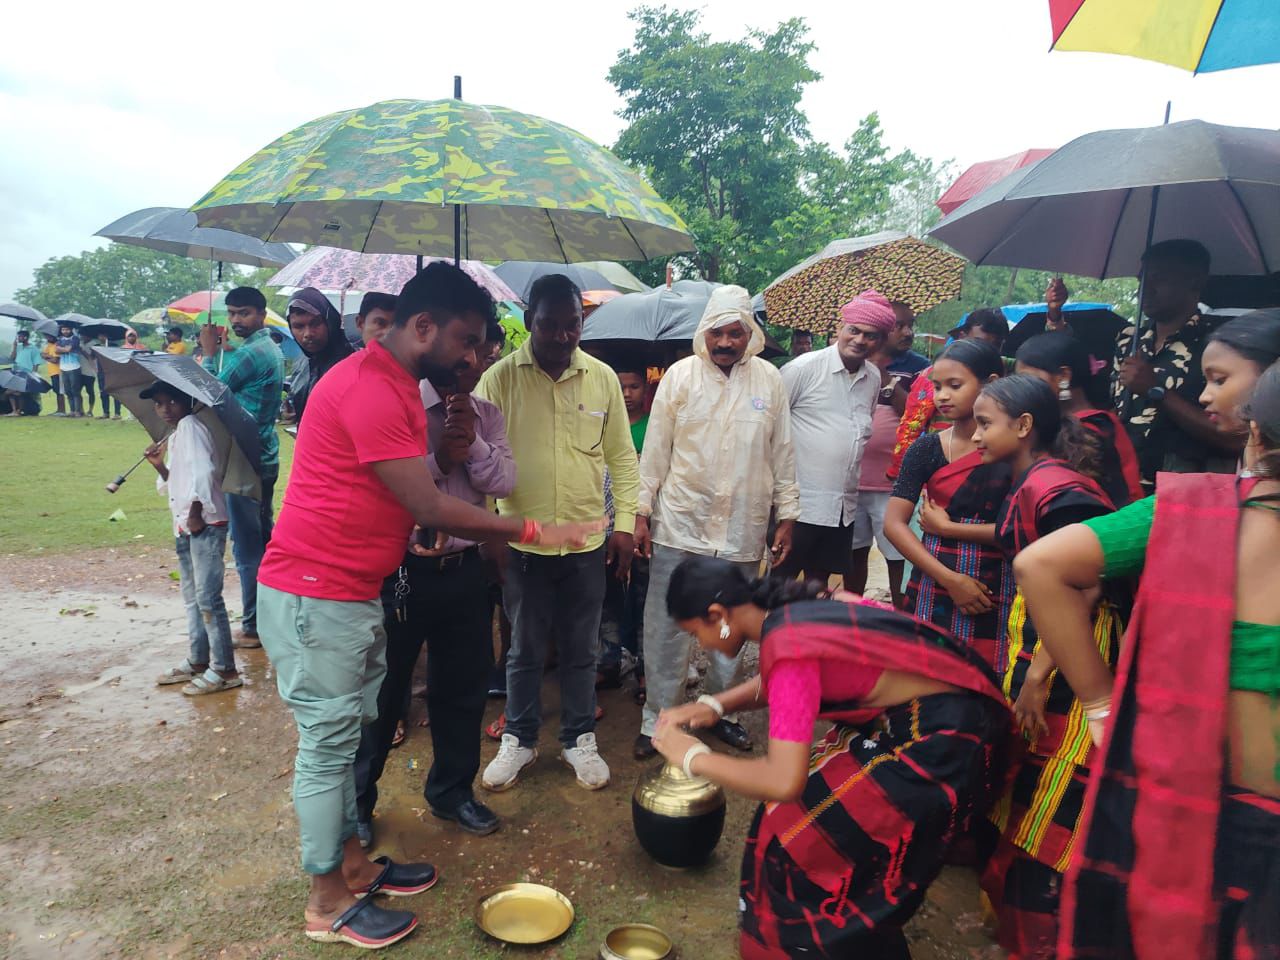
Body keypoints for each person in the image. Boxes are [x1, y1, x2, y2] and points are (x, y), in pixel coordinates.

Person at [256, 263, 597, 949]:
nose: (476, 357)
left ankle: (352, 866)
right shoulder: (370, 388)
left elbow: (422, 487)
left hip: (352, 592)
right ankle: (325, 902)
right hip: (314, 594)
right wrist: (533, 529)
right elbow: (428, 503)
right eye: (467, 341)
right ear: (422, 327)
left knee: (349, 733)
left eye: (482, 346)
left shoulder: (393, 387)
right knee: (328, 750)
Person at [1016, 364, 1280, 960]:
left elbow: (1039, 565)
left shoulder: (1194, 513)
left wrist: (1099, 701)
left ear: (1255, 437)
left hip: (1193, 811)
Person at [651, 558, 1013, 960]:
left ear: (717, 615)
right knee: (789, 824)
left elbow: (784, 781)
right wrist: (714, 705)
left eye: (696, 633)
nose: (702, 645)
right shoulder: (798, 605)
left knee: (797, 850)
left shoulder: (787, 645)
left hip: (943, 744)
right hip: (936, 716)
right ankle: (864, 934)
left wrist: (693, 758)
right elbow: (789, 678)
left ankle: (817, 944)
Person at [971, 375, 1121, 960]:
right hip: (1036, 640)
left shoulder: (1060, 491)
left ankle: (1046, 929)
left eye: (987, 423)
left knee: (1055, 781)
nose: (977, 435)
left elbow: (1084, 591)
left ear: (1025, 427)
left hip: (1067, 653)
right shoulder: (1035, 480)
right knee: (1027, 769)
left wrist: (1038, 675)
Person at [351, 317, 514, 848]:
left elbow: (505, 481)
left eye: (479, 354)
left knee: (463, 689)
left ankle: (452, 791)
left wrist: (473, 446)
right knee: (383, 689)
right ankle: (358, 802)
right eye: (463, 351)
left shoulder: (486, 414)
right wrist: (440, 456)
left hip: (463, 572)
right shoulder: (402, 408)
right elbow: (390, 486)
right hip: (402, 573)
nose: (469, 363)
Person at [475, 273, 638, 792]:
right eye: (550, 325)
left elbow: (621, 458)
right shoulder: (498, 380)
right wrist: (489, 529)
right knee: (523, 648)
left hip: (587, 540)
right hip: (522, 542)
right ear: (529, 323)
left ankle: (577, 739)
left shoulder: (602, 378)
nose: (563, 336)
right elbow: (475, 462)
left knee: (580, 647)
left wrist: (626, 525)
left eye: (573, 325)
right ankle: (520, 741)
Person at [633, 285, 800, 760]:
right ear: (703, 333)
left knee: (732, 626)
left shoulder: (769, 380)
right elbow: (655, 452)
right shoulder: (679, 377)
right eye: (717, 333)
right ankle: (657, 719)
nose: (725, 342)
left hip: (743, 525)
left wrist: (787, 515)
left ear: (751, 335)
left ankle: (718, 713)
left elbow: (783, 452)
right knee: (667, 624)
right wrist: (641, 512)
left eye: (735, 333)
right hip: (681, 521)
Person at [884, 340, 1014, 673]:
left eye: (955, 386)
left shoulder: (1015, 451)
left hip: (999, 584)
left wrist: (947, 528)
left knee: (992, 677)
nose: (942, 396)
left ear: (992, 383)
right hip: (934, 578)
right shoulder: (926, 449)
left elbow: (1023, 529)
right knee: (928, 675)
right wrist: (949, 580)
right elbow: (894, 523)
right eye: (937, 386)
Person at [776, 289, 888, 585]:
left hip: (842, 509)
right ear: (840, 328)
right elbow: (769, 429)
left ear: (880, 341)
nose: (860, 340)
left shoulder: (873, 378)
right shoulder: (802, 369)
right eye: (854, 330)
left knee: (818, 588)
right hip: (798, 507)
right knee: (777, 587)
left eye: (871, 335)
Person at [199, 287, 285, 649]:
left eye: (244, 313)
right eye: (232, 313)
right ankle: (268, 617)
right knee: (263, 541)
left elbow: (206, 391)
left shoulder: (255, 351)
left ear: (262, 314)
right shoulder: (265, 348)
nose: (236, 320)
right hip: (262, 453)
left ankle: (253, 625)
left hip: (244, 461)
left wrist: (209, 353)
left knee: (248, 549)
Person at [1113, 239, 1238, 489]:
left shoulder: (1221, 344)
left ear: (1195, 281)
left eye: (1158, 278)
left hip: (1187, 496)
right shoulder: (1129, 339)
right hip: (1121, 492)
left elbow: (1233, 438)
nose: (1145, 289)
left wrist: (1156, 391)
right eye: (1141, 279)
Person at [144, 382, 239, 696]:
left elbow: (202, 473)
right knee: (193, 599)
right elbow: (179, 481)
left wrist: (197, 511)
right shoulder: (176, 433)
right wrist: (160, 466)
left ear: (188, 401)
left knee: (209, 598)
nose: (165, 408)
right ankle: (199, 659)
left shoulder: (192, 427)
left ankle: (225, 669)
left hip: (204, 524)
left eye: (172, 400)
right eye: (159, 403)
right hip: (185, 524)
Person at [1015, 332, 1144, 507]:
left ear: (1063, 376)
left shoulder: (1089, 430)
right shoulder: (1091, 422)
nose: (1022, 388)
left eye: (1027, 378)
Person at [888, 307, 1010, 481]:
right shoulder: (935, 373)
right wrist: (900, 474)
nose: (986, 350)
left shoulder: (1008, 372)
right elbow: (911, 426)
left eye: (996, 345)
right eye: (978, 342)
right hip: (940, 467)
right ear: (962, 336)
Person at [596, 361, 652, 698]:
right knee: (608, 597)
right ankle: (608, 662)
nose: (627, 394)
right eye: (620, 386)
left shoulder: (653, 426)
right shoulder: (601, 425)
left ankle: (646, 670)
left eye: (633, 387)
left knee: (645, 597)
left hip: (645, 525)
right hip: (605, 525)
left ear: (645, 389)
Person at [285, 288, 355, 425]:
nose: (308, 334)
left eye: (315, 323)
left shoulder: (351, 364)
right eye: (298, 326)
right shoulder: (302, 361)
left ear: (329, 321)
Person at [887, 301, 930, 378]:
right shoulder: (861, 361)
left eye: (910, 325)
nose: (908, 333)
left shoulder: (920, 365)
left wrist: (883, 375)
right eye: (898, 326)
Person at [5, 330, 43, 416]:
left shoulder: (33, 349)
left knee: (20, 392)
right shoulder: (18, 347)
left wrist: (34, 375)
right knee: (11, 391)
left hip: (26, 373)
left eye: (20, 337)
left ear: (25, 337)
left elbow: (36, 363)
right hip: (15, 371)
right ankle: (14, 410)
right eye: (18, 337)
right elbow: (12, 358)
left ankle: (19, 410)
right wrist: (14, 347)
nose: (18, 338)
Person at [88, 334, 122, 419]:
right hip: (101, 373)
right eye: (99, 336)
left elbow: (118, 357)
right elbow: (92, 358)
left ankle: (117, 413)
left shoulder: (114, 346)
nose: (101, 338)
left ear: (107, 336)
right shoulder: (96, 346)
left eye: (103, 336)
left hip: (113, 372)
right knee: (103, 393)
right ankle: (105, 413)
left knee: (115, 393)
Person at [54, 323, 84, 417]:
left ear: (71, 330)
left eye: (67, 329)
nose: (65, 331)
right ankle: (71, 410)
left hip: (74, 367)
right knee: (67, 391)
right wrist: (64, 349)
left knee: (75, 390)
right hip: (63, 368)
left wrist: (61, 349)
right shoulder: (59, 340)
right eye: (63, 330)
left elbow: (68, 349)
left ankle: (78, 411)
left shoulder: (75, 339)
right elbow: (56, 350)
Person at [41, 335, 64, 415]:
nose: (47, 338)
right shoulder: (49, 346)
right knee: (56, 391)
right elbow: (42, 354)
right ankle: (59, 410)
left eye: (50, 337)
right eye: (47, 337)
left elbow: (55, 360)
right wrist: (49, 357)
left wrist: (47, 357)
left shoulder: (56, 345)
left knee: (59, 391)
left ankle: (62, 410)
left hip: (58, 371)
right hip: (52, 372)